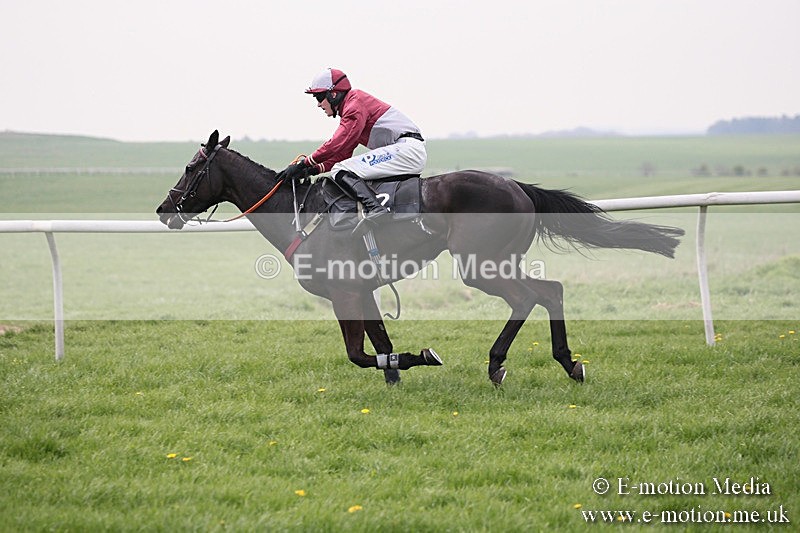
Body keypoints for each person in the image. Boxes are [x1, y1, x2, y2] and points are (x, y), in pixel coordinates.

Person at [276, 68, 426, 230]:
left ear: (333, 94)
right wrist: (312, 170)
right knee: (341, 167)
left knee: (340, 170)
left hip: (407, 149)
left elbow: (337, 143)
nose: (319, 104)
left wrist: (304, 163)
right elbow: (343, 153)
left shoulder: (354, 105)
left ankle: (376, 209)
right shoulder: (352, 106)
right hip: (405, 150)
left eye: (319, 97)